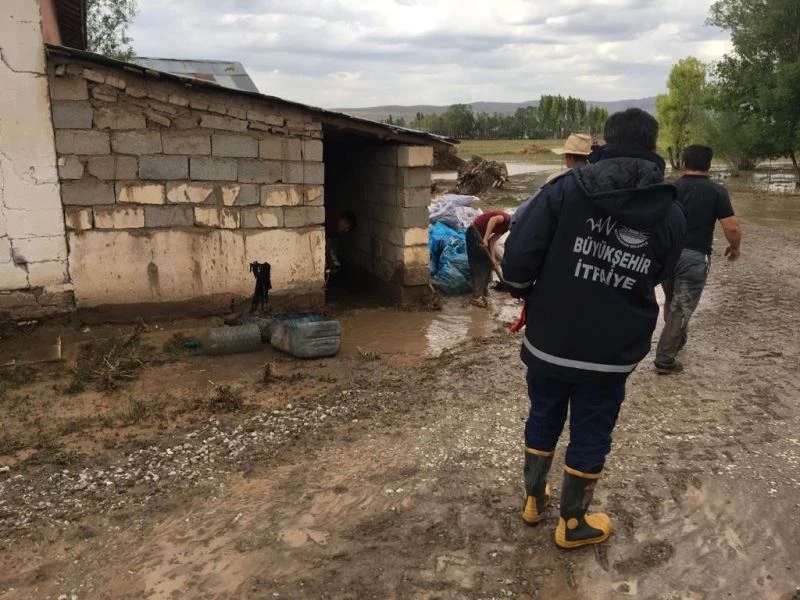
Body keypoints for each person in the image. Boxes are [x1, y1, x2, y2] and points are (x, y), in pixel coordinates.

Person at [502, 108, 686, 549]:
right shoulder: (670, 210)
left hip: (551, 339)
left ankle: (533, 500)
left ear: (605, 142)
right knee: (592, 427)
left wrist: (525, 288)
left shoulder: (565, 188)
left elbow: (519, 257)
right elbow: (662, 271)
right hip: (612, 347)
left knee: (543, 412)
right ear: (654, 149)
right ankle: (572, 523)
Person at [653, 145, 741, 374]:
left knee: (673, 299)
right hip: (694, 256)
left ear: (683, 164)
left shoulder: (670, 188)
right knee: (681, 307)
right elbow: (731, 227)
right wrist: (734, 247)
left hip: (668, 254)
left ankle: (677, 342)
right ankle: (664, 358)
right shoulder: (716, 191)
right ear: (709, 166)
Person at [510, 133, 592, 232]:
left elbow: (529, 206)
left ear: (568, 156)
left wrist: (513, 221)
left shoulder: (556, 180)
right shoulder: (598, 176)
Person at [466, 210, 511, 307]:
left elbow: (492, 241)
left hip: (482, 237)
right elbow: (493, 220)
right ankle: (476, 297)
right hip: (474, 232)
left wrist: (493, 259)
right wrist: (485, 238)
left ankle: (484, 292)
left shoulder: (505, 229)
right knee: (479, 264)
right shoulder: (506, 218)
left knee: (488, 263)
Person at [325, 210, 357, 277]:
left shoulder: (335, 231)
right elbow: (326, 247)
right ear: (342, 220)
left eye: (348, 229)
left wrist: (332, 264)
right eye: (347, 227)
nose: (346, 230)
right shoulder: (331, 222)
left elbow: (328, 246)